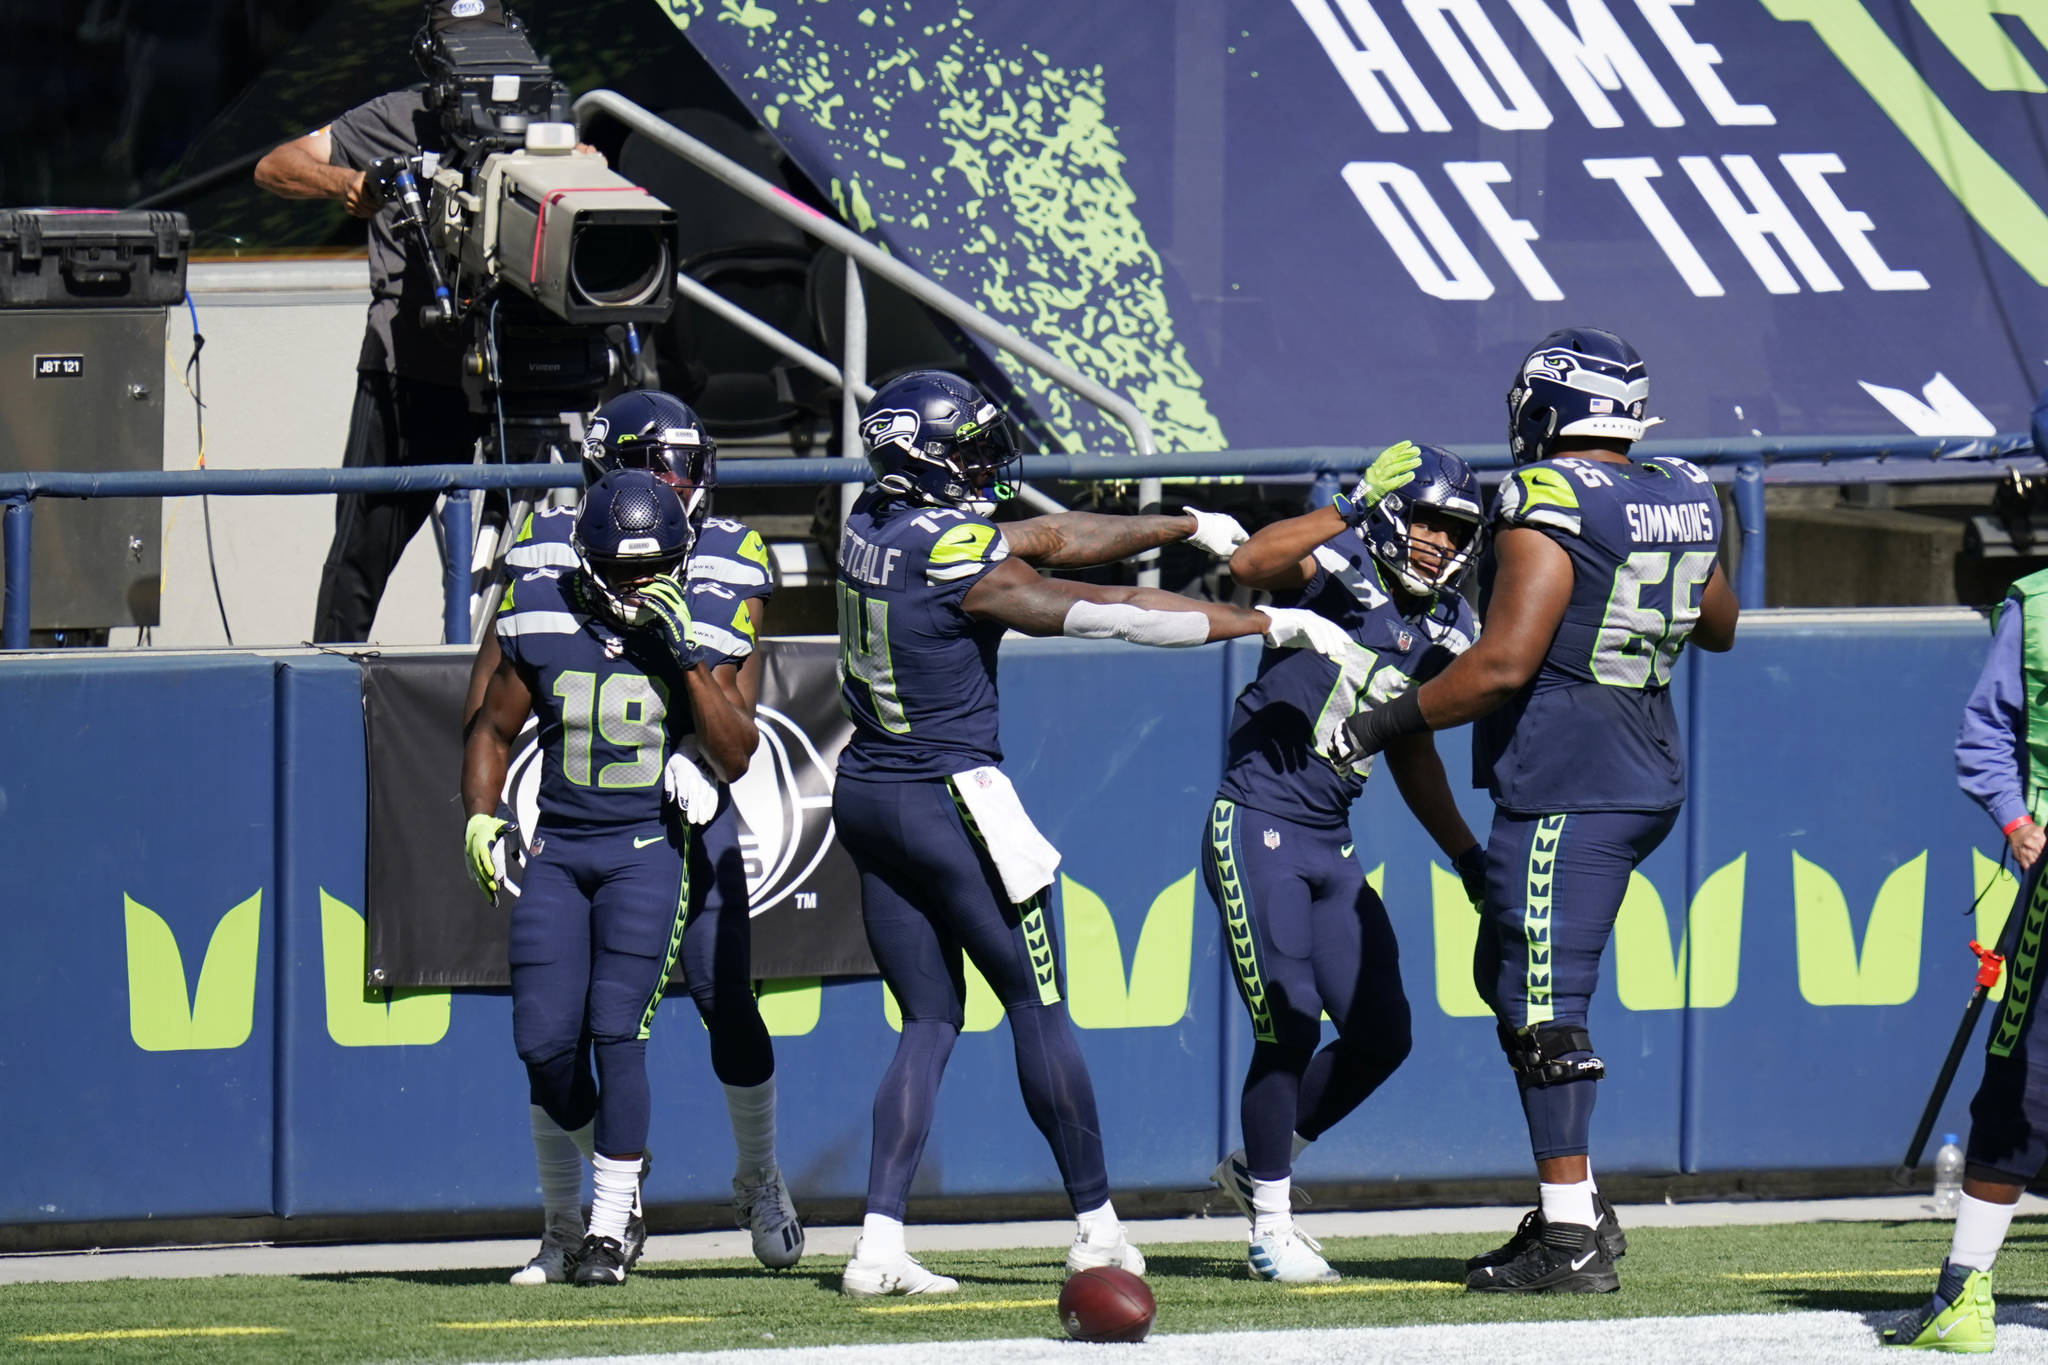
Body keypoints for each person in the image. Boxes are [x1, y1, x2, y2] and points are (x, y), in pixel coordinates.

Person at [832, 369, 1353, 1296]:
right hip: (954, 798)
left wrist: (1181, 524)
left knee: (928, 1017)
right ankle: (1098, 1228)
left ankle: (878, 1242)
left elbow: (1044, 533)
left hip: (870, 788)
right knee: (1038, 1005)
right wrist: (1263, 619)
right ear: (929, 459)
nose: (987, 461)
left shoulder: (871, 519)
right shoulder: (958, 560)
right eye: (970, 448)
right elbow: (1110, 611)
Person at [1340, 328, 1738, 1293]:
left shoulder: (1543, 496)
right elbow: (1719, 625)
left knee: (1542, 1002)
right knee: (1502, 968)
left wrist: (1378, 722)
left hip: (1570, 776)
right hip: (1641, 767)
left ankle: (1570, 1237)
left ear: (1544, 408)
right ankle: (1577, 1207)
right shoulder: (1684, 484)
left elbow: (1505, 662)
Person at [460, 390, 801, 1284]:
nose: (676, 482)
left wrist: (702, 750)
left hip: (684, 806)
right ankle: (584, 1213)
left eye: (684, 464)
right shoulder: (549, 548)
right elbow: (493, 692)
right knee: (558, 1028)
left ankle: (759, 1177)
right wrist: (485, 810)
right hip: (586, 817)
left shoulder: (726, 551)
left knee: (723, 996)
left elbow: (739, 699)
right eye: (657, 464)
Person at [1202, 441, 1489, 1283]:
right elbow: (1254, 562)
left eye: (1454, 527)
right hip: (1258, 817)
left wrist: (1467, 855)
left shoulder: (1450, 626)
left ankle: (1260, 1166)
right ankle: (1269, 1227)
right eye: (1427, 517)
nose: (1437, 539)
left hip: (1331, 838)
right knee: (1288, 1018)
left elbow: (1411, 749)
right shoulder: (1341, 560)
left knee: (1383, 1033)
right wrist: (1352, 503)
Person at [253, 0, 501, 642]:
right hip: (410, 370)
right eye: (458, 48)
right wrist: (348, 184)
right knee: (359, 560)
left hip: (521, 373)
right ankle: (332, 690)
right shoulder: (396, 115)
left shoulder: (543, 120)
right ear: (434, 55)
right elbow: (275, 165)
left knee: (536, 559)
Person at [1880, 561, 2048, 1350]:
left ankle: (1964, 1289)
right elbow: (1986, 729)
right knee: (2018, 1084)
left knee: (2021, 1082)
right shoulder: (2036, 603)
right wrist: (2018, 823)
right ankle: (1964, 1290)